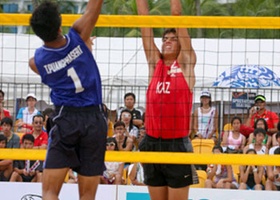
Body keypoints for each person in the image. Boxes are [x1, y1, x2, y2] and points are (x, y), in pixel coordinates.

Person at [29, 1, 107, 199]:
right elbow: (94, 6)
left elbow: (49, 63)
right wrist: (86, 50)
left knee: (49, 192)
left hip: (66, 118)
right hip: (94, 118)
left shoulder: (37, 61)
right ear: (59, 26)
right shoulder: (78, 36)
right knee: (87, 196)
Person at [136, 0, 197, 199]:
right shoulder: (155, 65)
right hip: (152, 142)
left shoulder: (186, 64)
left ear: (181, 43)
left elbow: (177, 14)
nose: (168, 41)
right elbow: (145, 24)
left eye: (173, 38)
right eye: (165, 38)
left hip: (176, 144)